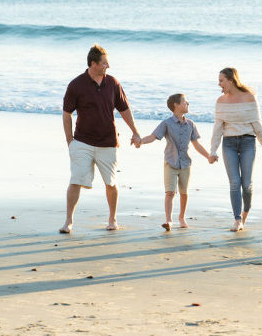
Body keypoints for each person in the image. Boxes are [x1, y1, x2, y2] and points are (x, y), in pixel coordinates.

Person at [59, 44, 141, 234]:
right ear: (93, 63)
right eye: (104, 63)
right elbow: (66, 114)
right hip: (82, 142)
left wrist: (135, 132)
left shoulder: (113, 83)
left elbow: (124, 110)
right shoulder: (76, 85)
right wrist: (69, 141)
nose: (108, 66)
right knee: (76, 180)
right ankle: (68, 221)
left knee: (110, 183)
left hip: (108, 142)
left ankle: (112, 219)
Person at [136, 93, 217, 230]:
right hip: (171, 162)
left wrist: (208, 156)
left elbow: (196, 144)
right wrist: (141, 142)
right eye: (185, 102)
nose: (188, 104)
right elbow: (153, 136)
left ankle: (182, 218)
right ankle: (169, 220)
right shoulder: (166, 123)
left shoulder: (190, 124)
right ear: (176, 105)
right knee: (170, 192)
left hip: (186, 164)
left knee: (184, 193)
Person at [209, 67, 262, 232]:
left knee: (246, 184)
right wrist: (212, 151)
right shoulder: (220, 101)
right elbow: (217, 128)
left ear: (231, 80)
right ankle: (237, 219)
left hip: (247, 142)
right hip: (228, 143)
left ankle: (245, 213)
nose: (219, 84)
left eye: (221, 80)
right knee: (234, 183)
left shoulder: (249, 98)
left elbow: (258, 125)